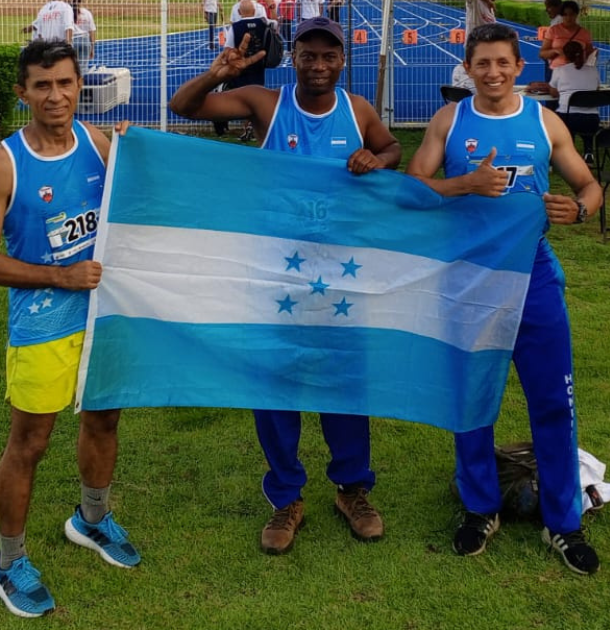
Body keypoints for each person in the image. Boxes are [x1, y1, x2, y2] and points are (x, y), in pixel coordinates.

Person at [169, 16, 402, 556]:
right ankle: (286, 497)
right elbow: (183, 107)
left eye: (329, 56)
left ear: (342, 60)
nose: (319, 65)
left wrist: (377, 158)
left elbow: (392, 148)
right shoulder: (266, 104)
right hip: (276, 273)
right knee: (275, 385)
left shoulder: (357, 110)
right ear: (293, 58)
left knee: (344, 381)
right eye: (308, 55)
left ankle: (352, 489)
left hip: (342, 274)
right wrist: (216, 75)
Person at [405, 22, 604, 575]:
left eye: (502, 63)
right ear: (467, 69)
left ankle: (563, 522)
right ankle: (479, 509)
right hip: (467, 280)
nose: (492, 72)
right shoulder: (450, 120)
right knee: (472, 400)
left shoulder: (544, 121)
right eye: (482, 63)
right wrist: (463, 185)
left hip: (532, 278)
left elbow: (589, 186)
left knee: (552, 401)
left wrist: (579, 209)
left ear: (520, 68)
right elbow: (412, 187)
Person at [0, 40, 139, 618]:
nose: (56, 96)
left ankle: (92, 519)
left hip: (102, 314)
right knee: (30, 443)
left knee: (104, 419)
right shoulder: (3, 164)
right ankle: (9, 562)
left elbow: (136, 202)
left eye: (65, 83)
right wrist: (59, 276)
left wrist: (137, 154)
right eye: (42, 86)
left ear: (79, 86)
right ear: (23, 94)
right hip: (43, 323)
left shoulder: (98, 143)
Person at [221, 0, 271, 140]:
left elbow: (228, 48)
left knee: (242, 96)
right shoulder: (263, 24)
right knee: (258, 95)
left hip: (241, 67)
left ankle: (246, 126)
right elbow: (274, 27)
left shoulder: (236, 27)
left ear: (239, 12)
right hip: (258, 65)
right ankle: (254, 127)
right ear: (255, 11)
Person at [547, 40, 600, 158]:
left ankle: (569, 153)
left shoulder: (559, 70)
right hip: (592, 119)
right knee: (587, 127)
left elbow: (553, 93)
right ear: (582, 53)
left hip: (568, 117)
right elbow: (596, 90)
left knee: (560, 119)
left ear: (565, 55)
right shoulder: (593, 70)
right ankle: (588, 151)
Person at [541, 1, 593, 70]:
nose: (568, 17)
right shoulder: (553, 30)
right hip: (556, 71)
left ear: (576, 14)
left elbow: (590, 56)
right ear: (561, 15)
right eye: (565, 14)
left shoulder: (585, 33)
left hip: (578, 71)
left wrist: (587, 58)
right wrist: (555, 51)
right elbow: (542, 54)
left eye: (572, 14)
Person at [71, 0, 96, 71]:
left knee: (71, 67)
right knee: (83, 67)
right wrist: (92, 47)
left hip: (73, 39)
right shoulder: (87, 13)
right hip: (85, 40)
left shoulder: (68, 13)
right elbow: (92, 31)